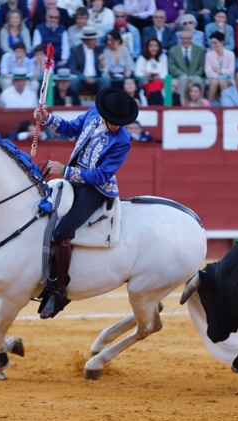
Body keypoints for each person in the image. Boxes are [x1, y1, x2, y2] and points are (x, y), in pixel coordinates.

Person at [32, 87, 139, 319]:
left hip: (95, 190)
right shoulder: (92, 114)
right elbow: (71, 128)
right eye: (113, 121)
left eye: (121, 123)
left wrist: (63, 170)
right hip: (72, 179)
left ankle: (58, 292)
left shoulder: (122, 141)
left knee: (61, 233)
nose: (116, 126)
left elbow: (100, 176)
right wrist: (47, 118)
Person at [67, 25, 108, 95]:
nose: (96, 42)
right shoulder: (75, 50)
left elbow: (103, 69)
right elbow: (72, 68)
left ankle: (102, 103)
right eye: (94, 39)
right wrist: (84, 78)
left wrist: (103, 65)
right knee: (74, 82)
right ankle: (74, 104)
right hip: (81, 79)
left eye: (96, 39)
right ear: (86, 40)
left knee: (106, 81)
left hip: (96, 79)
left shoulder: (99, 50)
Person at [204, 31, 234, 103]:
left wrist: (221, 71)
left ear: (222, 42)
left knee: (222, 81)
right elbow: (208, 71)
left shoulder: (230, 54)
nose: (213, 45)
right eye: (212, 43)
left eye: (215, 43)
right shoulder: (209, 54)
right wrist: (218, 76)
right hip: (213, 79)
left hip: (228, 79)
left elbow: (231, 71)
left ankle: (227, 105)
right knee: (215, 81)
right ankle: (209, 105)